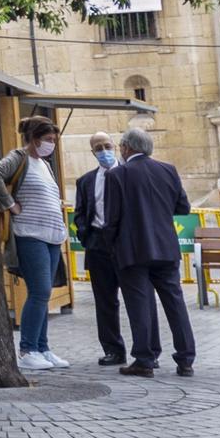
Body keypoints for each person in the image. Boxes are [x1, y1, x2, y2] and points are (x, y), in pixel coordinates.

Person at [102, 124, 196, 377]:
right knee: (175, 302)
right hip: (166, 247)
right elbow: (183, 207)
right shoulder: (168, 170)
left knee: (139, 304)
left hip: (132, 250)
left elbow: (112, 219)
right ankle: (186, 359)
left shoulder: (117, 175)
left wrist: (110, 247)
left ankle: (145, 359)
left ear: (126, 147)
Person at [0, 115, 71, 371]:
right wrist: (10, 205)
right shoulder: (19, 158)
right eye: (47, 139)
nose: (51, 144)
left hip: (51, 235)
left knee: (44, 294)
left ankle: (42, 347)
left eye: (54, 140)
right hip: (30, 234)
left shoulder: (44, 164)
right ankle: (28, 349)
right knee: (39, 292)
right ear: (33, 139)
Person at [71, 131, 128, 366]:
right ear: (92, 152)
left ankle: (145, 351)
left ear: (115, 146)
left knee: (136, 298)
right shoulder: (85, 181)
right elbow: (80, 212)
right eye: (98, 148)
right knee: (104, 302)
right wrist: (87, 236)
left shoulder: (128, 175)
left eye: (107, 146)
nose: (104, 151)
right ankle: (113, 349)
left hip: (125, 245)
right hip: (98, 245)